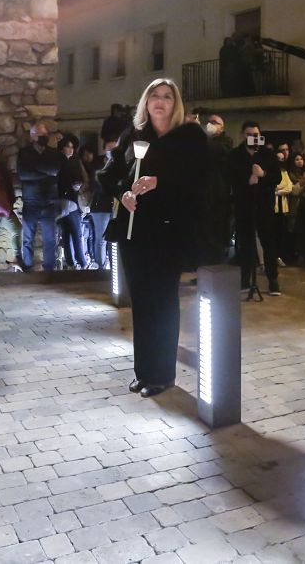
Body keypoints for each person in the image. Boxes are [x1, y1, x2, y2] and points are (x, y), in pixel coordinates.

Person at [97, 78, 207, 398]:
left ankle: (162, 375)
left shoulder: (188, 139)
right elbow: (110, 176)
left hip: (168, 231)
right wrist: (123, 193)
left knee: (162, 303)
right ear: (145, 102)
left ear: (176, 104)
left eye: (167, 97)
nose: (160, 102)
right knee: (142, 303)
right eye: (154, 96)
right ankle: (144, 371)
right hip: (135, 231)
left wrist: (161, 180)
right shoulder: (133, 136)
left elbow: (200, 183)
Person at [229, 122, 281, 295]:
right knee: (245, 243)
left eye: (256, 134)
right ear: (244, 135)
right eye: (249, 133)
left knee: (269, 242)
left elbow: (277, 177)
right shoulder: (236, 154)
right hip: (244, 205)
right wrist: (247, 179)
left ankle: (273, 279)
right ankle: (245, 278)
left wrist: (263, 175)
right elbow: (230, 177)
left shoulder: (267, 154)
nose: (253, 137)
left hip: (264, 205)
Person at [17, 123, 60, 271]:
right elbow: (24, 174)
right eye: (41, 134)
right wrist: (45, 172)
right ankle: (28, 267)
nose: (44, 136)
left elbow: (55, 170)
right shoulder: (24, 153)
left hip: (49, 201)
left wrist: (35, 167)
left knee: (50, 239)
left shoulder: (53, 152)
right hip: (31, 202)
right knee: (28, 238)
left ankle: (50, 269)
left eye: (45, 133)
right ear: (32, 136)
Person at [199, 114, 233, 266]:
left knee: (216, 233)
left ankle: (216, 266)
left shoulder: (225, 142)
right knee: (204, 234)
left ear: (222, 127)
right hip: (204, 193)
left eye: (215, 122)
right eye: (209, 122)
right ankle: (203, 268)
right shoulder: (205, 141)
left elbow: (219, 151)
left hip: (219, 194)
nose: (210, 125)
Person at [56, 136, 87, 270]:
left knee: (72, 232)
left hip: (71, 200)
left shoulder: (74, 162)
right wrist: (72, 186)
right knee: (72, 233)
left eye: (72, 147)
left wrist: (77, 185)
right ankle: (78, 262)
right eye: (68, 146)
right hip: (65, 201)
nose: (70, 149)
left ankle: (74, 262)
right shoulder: (60, 162)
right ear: (62, 148)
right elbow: (61, 181)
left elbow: (79, 178)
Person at [86, 140, 117, 270]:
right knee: (101, 238)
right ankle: (100, 266)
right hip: (100, 206)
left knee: (114, 238)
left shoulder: (121, 164)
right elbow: (96, 185)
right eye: (109, 148)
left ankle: (114, 266)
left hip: (116, 205)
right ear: (104, 150)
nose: (111, 151)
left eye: (114, 148)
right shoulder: (98, 165)